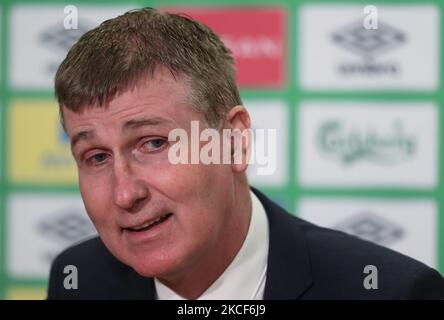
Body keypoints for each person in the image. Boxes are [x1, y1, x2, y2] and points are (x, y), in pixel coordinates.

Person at [47, 7, 444, 299]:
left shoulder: (390, 292)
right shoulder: (78, 279)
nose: (124, 193)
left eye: (154, 143)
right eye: (97, 157)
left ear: (233, 141)